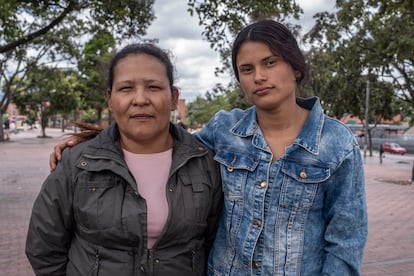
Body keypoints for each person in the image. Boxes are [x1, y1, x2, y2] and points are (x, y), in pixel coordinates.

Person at [49, 20, 368, 275]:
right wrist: (96, 142)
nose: (259, 77)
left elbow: (345, 242)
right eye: (246, 69)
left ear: (295, 67)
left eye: (270, 62)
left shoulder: (337, 144)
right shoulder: (224, 130)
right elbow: (164, 144)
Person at [26, 43, 223, 276]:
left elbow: (214, 243)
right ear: (110, 99)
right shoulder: (77, 163)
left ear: (173, 97)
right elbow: (44, 247)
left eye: (153, 87)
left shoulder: (204, 163)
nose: (140, 99)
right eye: (126, 88)